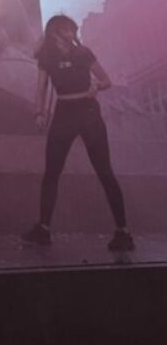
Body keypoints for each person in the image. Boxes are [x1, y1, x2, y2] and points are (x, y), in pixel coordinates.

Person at [22, 16, 134, 251]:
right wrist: (39, 113)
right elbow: (40, 88)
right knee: (51, 172)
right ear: (54, 33)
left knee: (104, 171)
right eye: (66, 30)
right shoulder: (47, 57)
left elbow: (106, 80)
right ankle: (44, 228)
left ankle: (123, 231)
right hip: (64, 113)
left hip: (88, 112)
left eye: (72, 30)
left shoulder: (83, 53)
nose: (71, 34)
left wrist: (96, 86)